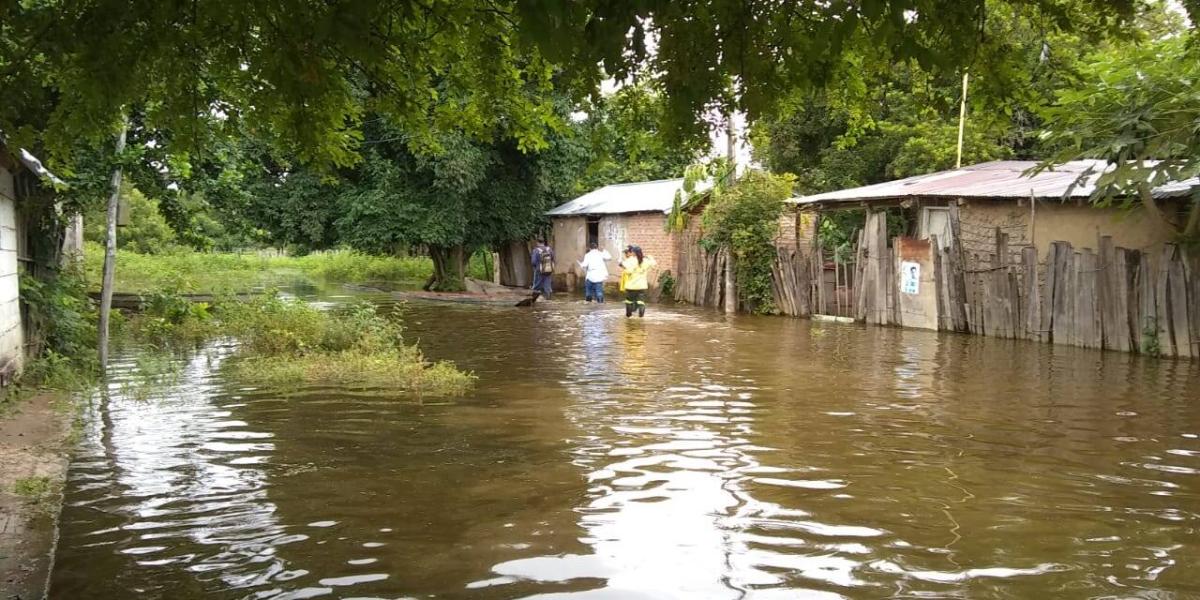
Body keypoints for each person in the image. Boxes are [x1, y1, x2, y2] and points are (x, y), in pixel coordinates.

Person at [620, 245, 657, 318]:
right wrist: (650, 257)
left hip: (631, 286)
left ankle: (629, 317)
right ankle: (641, 318)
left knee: (629, 301)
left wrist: (622, 266)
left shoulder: (631, 260)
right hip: (642, 286)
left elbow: (627, 269)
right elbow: (654, 264)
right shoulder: (645, 261)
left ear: (633, 252)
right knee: (641, 302)